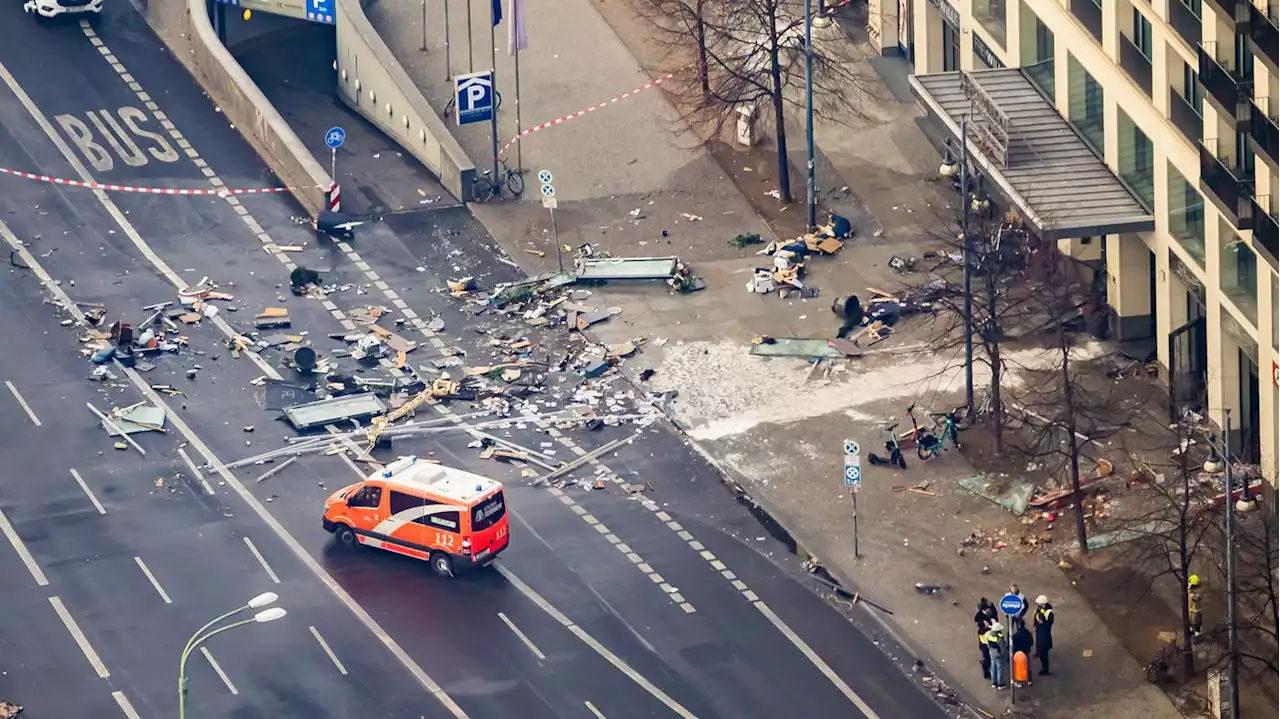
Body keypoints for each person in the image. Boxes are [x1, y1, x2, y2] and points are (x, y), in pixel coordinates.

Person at [974, 599, 998, 680]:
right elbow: (977, 620)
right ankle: (987, 672)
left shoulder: (991, 611)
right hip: (986, 640)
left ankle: (986, 666)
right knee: (986, 656)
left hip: (987, 637)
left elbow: (995, 614)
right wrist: (986, 624)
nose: (989, 610)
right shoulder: (981, 616)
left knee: (986, 656)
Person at [1033, 594, 1055, 676]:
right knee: (1038, 643)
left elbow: (1049, 625)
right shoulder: (1041, 608)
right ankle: (1038, 651)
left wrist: (1042, 622)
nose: (1038, 605)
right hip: (1039, 630)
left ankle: (1045, 669)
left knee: (1044, 652)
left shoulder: (1049, 612)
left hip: (1044, 633)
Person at [1011, 618, 1034, 686]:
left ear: (1018, 626)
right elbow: (1031, 642)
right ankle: (1029, 680)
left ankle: (1019, 682)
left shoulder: (1016, 635)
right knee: (1028, 666)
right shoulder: (1028, 633)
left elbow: (1013, 645)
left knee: (1019, 667)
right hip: (1026, 651)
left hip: (1019, 653)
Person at [985, 622, 1008, 688]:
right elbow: (1003, 648)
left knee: (993, 667)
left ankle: (994, 682)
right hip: (998, 655)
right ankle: (1000, 684)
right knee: (1000, 669)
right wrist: (1005, 655)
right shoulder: (999, 638)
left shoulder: (989, 635)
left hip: (992, 653)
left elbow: (988, 644)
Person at [1188, 574, 1203, 639]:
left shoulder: (1192, 594)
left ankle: (1196, 638)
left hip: (1195, 615)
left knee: (1196, 629)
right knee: (1195, 629)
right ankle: (1195, 638)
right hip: (1193, 615)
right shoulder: (1192, 595)